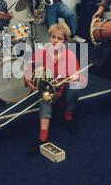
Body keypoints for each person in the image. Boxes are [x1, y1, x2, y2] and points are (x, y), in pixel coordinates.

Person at [25, 22, 87, 150]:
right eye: (53, 37)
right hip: (48, 90)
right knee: (45, 96)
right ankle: (42, 137)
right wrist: (29, 78)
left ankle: (68, 115)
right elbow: (27, 70)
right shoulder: (41, 53)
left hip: (63, 91)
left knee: (75, 87)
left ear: (64, 41)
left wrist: (78, 77)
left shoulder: (69, 56)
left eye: (60, 38)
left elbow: (83, 80)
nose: (55, 41)